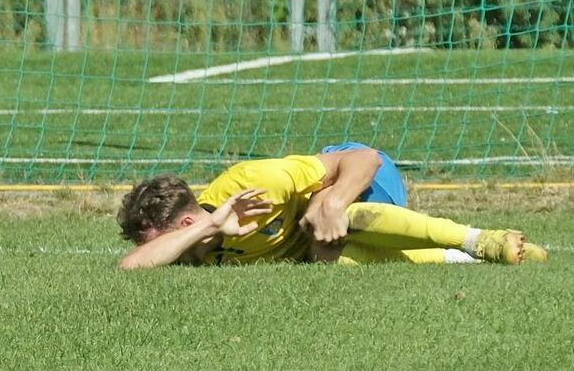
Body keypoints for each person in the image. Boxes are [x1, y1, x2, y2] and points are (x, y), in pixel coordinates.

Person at [116, 147, 549, 269]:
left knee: (322, 215)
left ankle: (480, 239)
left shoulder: (256, 184)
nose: (165, 255)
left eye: (161, 239)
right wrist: (209, 228)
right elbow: (131, 267)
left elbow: (365, 158)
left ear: (184, 219)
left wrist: (335, 202)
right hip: (316, 244)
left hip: (366, 179)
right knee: (328, 259)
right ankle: (458, 258)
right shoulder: (197, 241)